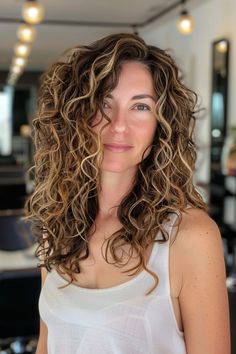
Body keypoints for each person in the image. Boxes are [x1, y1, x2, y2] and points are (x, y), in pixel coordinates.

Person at [25, 33, 230, 354]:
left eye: (140, 106)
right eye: (105, 103)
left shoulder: (190, 236)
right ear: (79, 114)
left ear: (160, 125)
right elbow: (48, 345)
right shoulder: (57, 226)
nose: (118, 124)